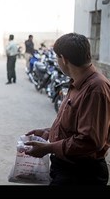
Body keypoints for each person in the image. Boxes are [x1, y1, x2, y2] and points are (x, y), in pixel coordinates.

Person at [24, 33, 110, 185]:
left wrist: (48, 148)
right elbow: (74, 125)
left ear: (63, 59)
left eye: (57, 58)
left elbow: (89, 141)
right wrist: (49, 132)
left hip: (81, 173)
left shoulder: (96, 88)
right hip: (66, 168)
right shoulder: (77, 82)